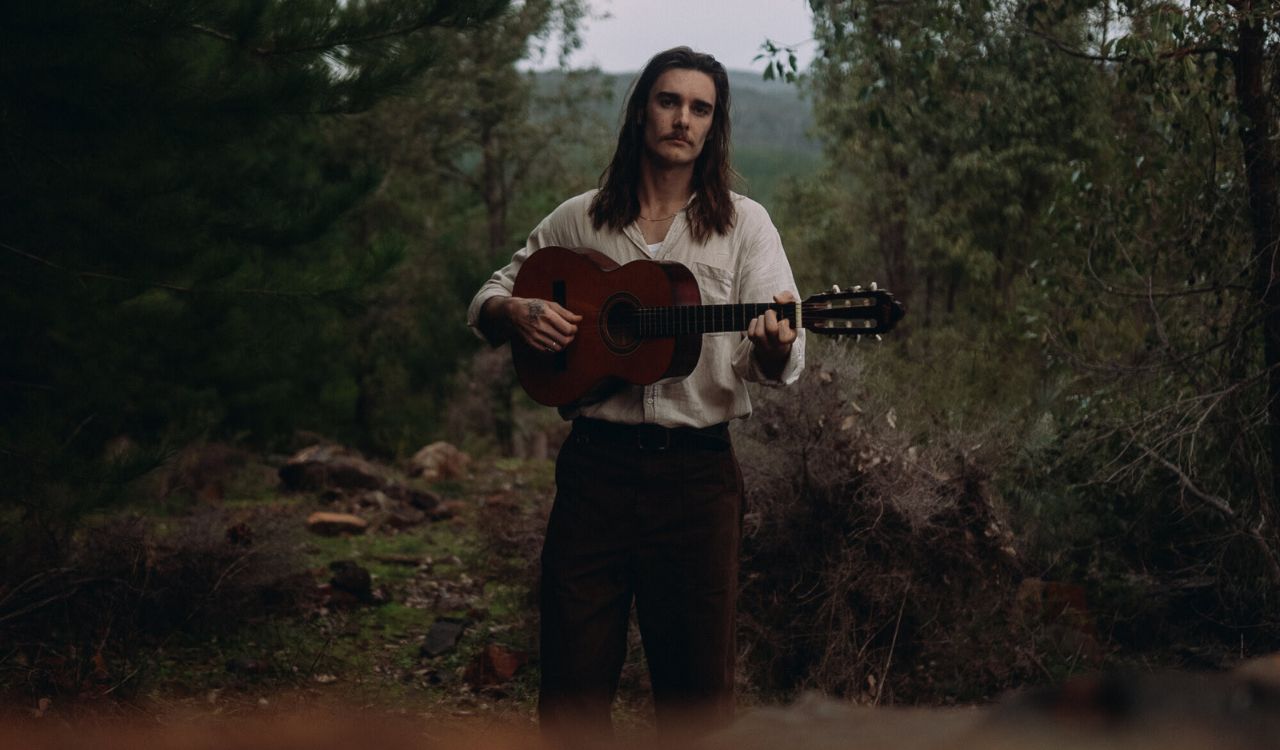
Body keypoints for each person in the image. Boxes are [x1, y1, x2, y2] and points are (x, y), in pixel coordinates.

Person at [467, 46, 805, 740]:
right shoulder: (578, 220)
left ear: (715, 126)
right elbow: (492, 294)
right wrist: (515, 313)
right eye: (669, 101)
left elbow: (774, 354)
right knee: (571, 684)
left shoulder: (746, 226)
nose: (683, 118)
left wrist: (777, 347)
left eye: (700, 107)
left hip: (696, 481)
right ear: (641, 111)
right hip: (595, 473)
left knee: (695, 695)